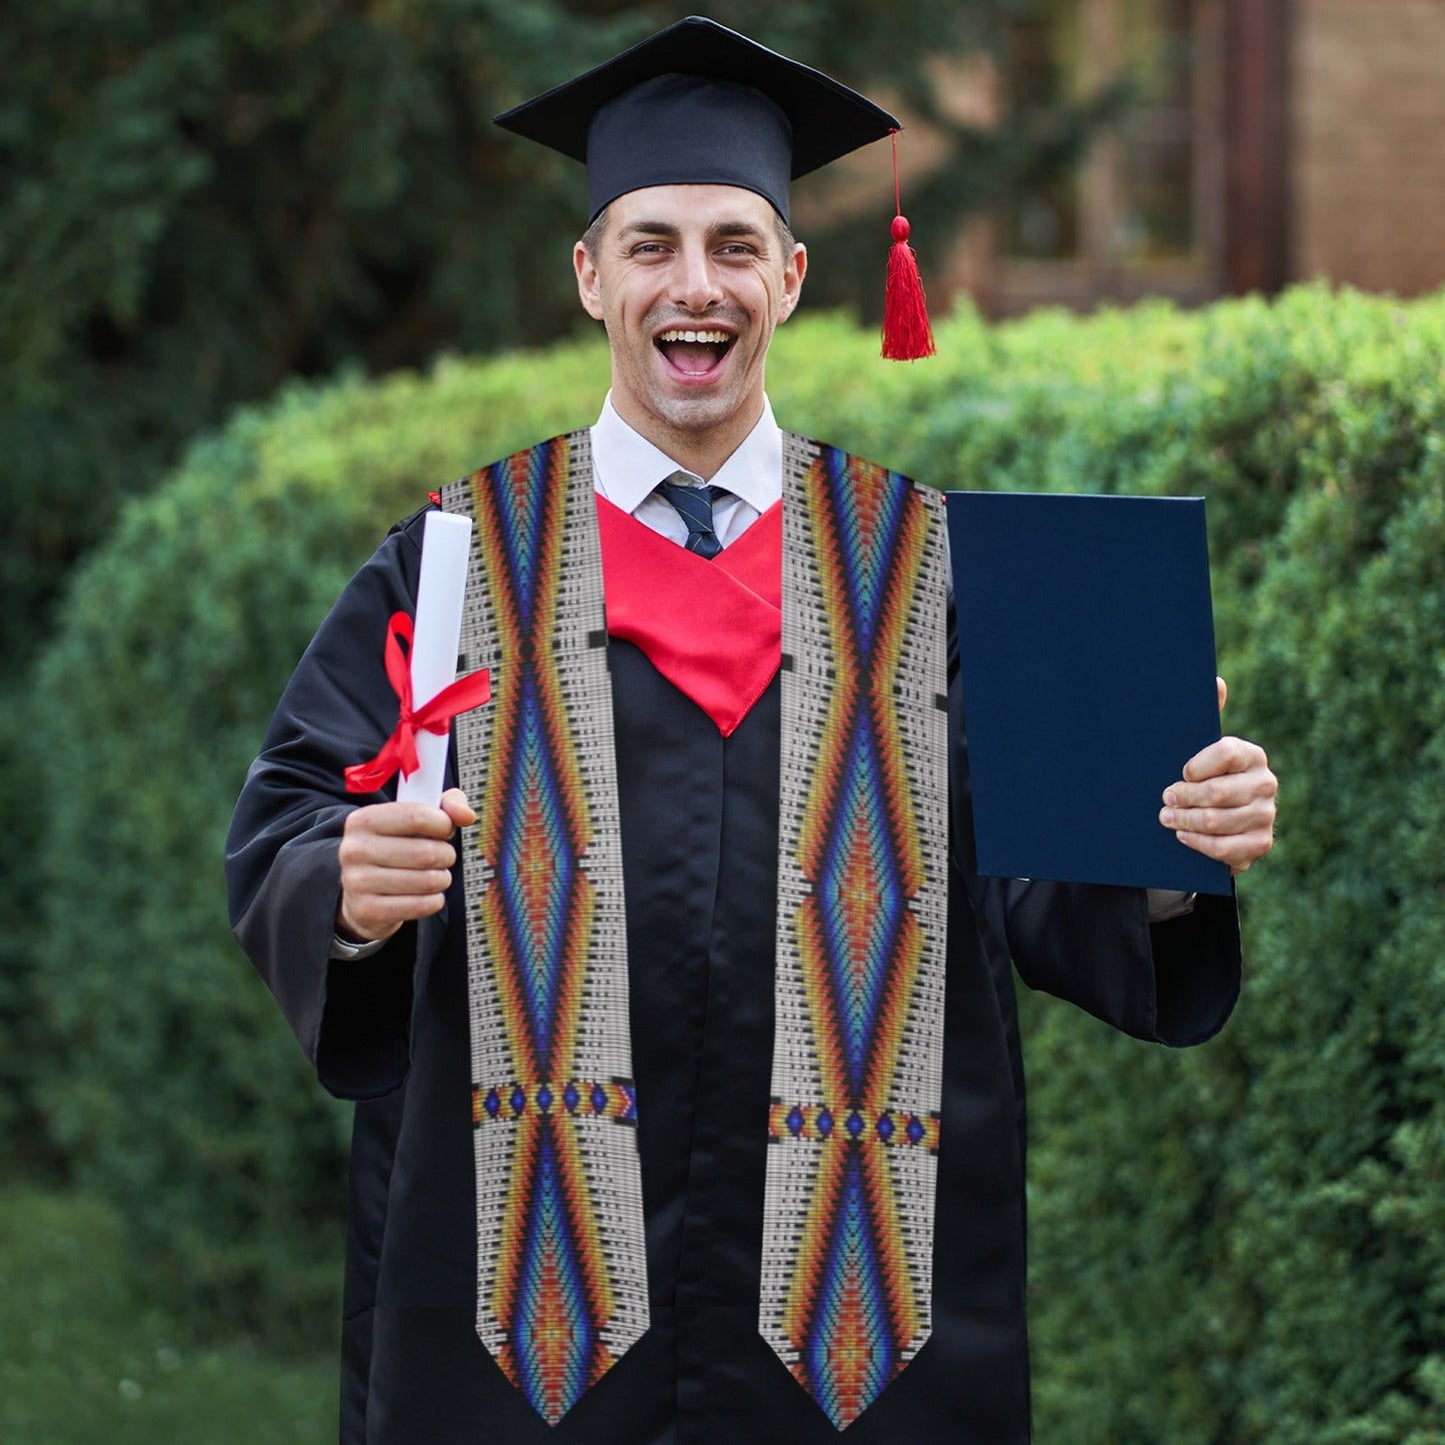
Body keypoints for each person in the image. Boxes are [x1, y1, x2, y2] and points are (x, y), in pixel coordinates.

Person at [225, 17, 1277, 1445]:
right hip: (522, 1322)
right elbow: (292, 820)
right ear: (589, 276)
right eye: (650, 245)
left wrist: (1167, 846)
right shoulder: (459, 563)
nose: (694, 286)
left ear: (789, 276)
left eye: (734, 245)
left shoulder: (933, 570)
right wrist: (345, 886)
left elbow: (1041, 887)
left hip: (863, 1324)